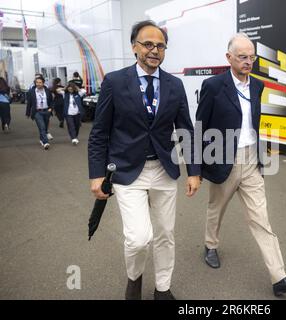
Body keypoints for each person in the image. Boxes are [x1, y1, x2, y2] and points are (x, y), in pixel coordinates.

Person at [88, 20, 201, 300]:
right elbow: (100, 131)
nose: (155, 50)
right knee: (139, 238)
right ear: (134, 47)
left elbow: (185, 129)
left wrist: (194, 171)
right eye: (148, 44)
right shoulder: (114, 82)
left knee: (165, 234)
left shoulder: (174, 85)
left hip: (164, 169)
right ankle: (134, 278)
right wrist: (96, 173)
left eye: (160, 45)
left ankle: (162, 288)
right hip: (127, 171)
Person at [196, 33, 286, 297]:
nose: (248, 62)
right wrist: (195, 168)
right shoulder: (213, 86)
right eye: (243, 57)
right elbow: (201, 126)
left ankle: (279, 277)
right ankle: (210, 246)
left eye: (252, 57)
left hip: (251, 161)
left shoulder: (257, 86)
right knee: (216, 209)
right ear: (229, 58)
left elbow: (253, 123)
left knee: (261, 219)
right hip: (223, 158)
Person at [26, 76, 54, 150]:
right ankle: (46, 142)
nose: (38, 84)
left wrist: (51, 108)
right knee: (42, 126)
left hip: (46, 111)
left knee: (44, 127)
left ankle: (41, 139)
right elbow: (29, 103)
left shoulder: (47, 91)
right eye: (37, 82)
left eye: (40, 82)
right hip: (37, 112)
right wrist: (28, 113)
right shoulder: (31, 92)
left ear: (43, 83)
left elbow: (51, 101)